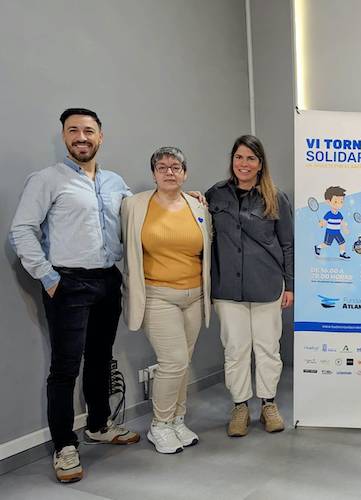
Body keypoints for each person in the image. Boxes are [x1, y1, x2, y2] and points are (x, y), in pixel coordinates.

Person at [9, 108, 140, 483]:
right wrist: (49, 278)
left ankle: (99, 424)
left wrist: (185, 197)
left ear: (101, 136)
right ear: (64, 137)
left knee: (100, 358)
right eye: (73, 131)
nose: (81, 137)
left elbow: (142, 216)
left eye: (88, 130)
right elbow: (22, 231)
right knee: (65, 369)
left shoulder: (116, 183)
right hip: (68, 284)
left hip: (107, 282)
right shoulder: (47, 180)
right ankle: (65, 446)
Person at [121, 147, 212, 454]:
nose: (169, 171)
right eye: (162, 167)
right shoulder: (134, 205)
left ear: (185, 173)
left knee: (183, 362)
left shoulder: (198, 205)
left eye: (176, 167)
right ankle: (159, 425)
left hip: (194, 297)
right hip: (157, 295)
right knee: (173, 361)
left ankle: (177, 420)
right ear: (154, 173)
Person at [207, 135, 294, 436]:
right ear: (232, 161)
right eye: (239, 157)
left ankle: (268, 404)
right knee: (235, 349)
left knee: (268, 348)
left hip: (267, 284)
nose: (244, 164)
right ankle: (240, 406)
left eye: (251, 159)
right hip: (228, 290)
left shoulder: (275, 197)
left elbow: (288, 245)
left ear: (260, 164)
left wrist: (290, 285)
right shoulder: (215, 196)